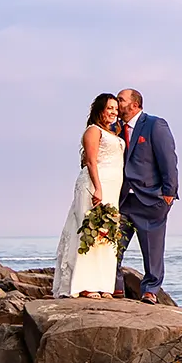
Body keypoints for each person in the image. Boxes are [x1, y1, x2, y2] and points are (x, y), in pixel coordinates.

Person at [52, 93, 125, 298]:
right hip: (95, 185)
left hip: (113, 188)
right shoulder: (93, 131)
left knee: (106, 234)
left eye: (116, 109)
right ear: (100, 109)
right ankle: (85, 285)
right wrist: (98, 188)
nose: (113, 112)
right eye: (109, 108)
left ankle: (103, 285)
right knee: (90, 232)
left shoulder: (112, 133)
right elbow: (92, 161)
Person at [116, 86, 178, 299]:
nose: (117, 103)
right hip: (123, 199)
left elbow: (168, 159)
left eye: (121, 99)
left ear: (135, 104)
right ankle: (116, 289)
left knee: (152, 251)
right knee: (112, 248)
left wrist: (169, 193)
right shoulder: (114, 128)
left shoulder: (154, 124)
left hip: (151, 199)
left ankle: (150, 292)